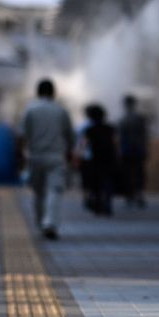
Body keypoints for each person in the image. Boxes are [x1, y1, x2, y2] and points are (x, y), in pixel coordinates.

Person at [19, 79, 74, 240]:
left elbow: (22, 135)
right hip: (56, 156)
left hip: (35, 156)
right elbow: (70, 135)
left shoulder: (30, 109)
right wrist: (69, 152)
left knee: (38, 192)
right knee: (54, 190)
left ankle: (40, 222)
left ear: (37, 92)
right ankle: (50, 223)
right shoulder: (61, 110)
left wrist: (21, 157)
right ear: (53, 93)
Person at [84, 104, 120, 217]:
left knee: (96, 183)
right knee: (108, 182)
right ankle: (108, 205)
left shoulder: (89, 130)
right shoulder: (110, 128)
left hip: (95, 159)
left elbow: (84, 146)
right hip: (109, 158)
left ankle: (98, 206)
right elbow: (116, 143)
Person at [118, 94, 148, 208]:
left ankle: (130, 195)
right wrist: (145, 148)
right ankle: (138, 194)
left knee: (128, 173)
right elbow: (144, 135)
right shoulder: (139, 118)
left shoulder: (123, 119)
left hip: (127, 150)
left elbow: (120, 137)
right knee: (138, 173)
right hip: (138, 149)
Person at [75, 106, 94, 211]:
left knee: (85, 179)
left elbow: (79, 143)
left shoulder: (82, 126)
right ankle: (93, 196)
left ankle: (86, 197)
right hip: (98, 157)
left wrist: (77, 154)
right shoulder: (103, 126)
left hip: (85, 156)